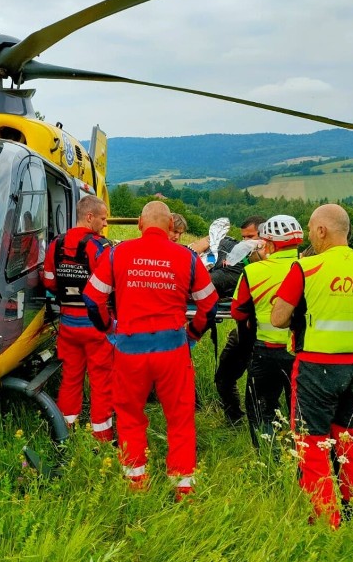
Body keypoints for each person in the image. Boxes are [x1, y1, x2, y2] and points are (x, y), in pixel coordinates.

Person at [270, 204, 353, 528]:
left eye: (312, 230)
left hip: (316, 367)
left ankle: (327, 522)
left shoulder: (306, 268)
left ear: (321, 231)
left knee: (311, 444)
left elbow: (277, 318)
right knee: (348, 442)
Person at [83, 201, 218, 500]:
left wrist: (109, 329)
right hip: (172, 350)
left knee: (130, 415)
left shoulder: (117, 253)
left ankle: (136, 482)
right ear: (171, 225)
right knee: (180, 418)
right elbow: (208, 306)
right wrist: (192, 335)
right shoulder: (187, 257)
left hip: (130, 349)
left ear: (140, 224)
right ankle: (182, 487)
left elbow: (92, 300)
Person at [42, 196, 114, 441]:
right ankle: (101, 436)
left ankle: (66, 429)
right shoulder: (100, 247)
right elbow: (109, 287)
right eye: (103, 218)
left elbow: (49, 281)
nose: (105, 224)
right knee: (101, 380)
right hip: (95, 326)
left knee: (71, 378)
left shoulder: (56, 244)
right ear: (90, 216)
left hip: (68, 325)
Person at [230, 215, 303, 448]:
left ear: (268, 243)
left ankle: (269, 460)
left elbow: (238, 312)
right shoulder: (310, 268)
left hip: (266, 352)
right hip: (303, 352)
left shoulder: (253, 271)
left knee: (262, 409)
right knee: (302, 410)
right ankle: (302, 454)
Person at [213, 215, 265, 424]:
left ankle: (262, 426)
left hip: (264, 338)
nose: (246, 243)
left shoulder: (277, 266)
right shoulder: (238, 260)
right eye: (243, 237)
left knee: (259, 388)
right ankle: (234, 418)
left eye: (250, 237)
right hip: (242, 332)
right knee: (224, 379)